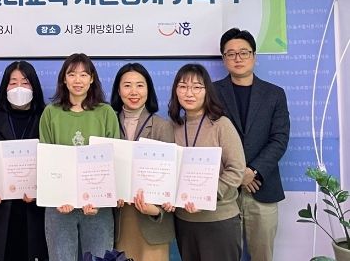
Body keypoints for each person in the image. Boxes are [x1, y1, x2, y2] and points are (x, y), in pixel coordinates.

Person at [214, 28, 290, 261]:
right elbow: (207, 137)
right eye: (231, 53)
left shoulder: (275, 94)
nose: (238, 58)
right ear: (224, 59)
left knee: (262, 255)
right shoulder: (212, 93)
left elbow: (279, 138)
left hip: (262, 188)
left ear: (254, 56)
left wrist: (253, 171)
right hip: (224, 190)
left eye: (244, 52)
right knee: (224, 255)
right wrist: (237, 174)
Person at [38, 53, 120, 261]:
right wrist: (57, 197)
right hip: (60, 206)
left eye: (84, 75)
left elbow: (114, 161)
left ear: (92, 79)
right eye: (72, 74)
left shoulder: (106, 112)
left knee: (99, 257)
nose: (78, 80)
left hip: (97, 206)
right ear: (64, 79)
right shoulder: (51, 113)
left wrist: (99, 200)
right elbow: (46, 161)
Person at [166, 63, 245, 261]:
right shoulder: (172, 127)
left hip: (219, 219)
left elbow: (236, 168)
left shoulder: (221, 125)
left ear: (207, 91)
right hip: (185, 221)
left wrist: (209, 195)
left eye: (197, 87)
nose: (189, 93)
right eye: (183, 86)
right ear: (175, 91)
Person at [0, 61, 49, 261]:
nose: (19, 88)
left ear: (34, 87)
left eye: (25, 82)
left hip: (35, 215)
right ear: (4, 87)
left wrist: (42, 192)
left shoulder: (47, 119)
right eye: (13, 82)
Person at [109, 63, 174, 261]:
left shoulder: (162, 126)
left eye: (140, 85)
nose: (134, 92)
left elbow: (170, 178)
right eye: (127, 85)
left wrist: (157, 210)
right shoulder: (108, 123)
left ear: (148, 90)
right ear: (118, 90)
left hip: (152, 221)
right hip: (119, 220)